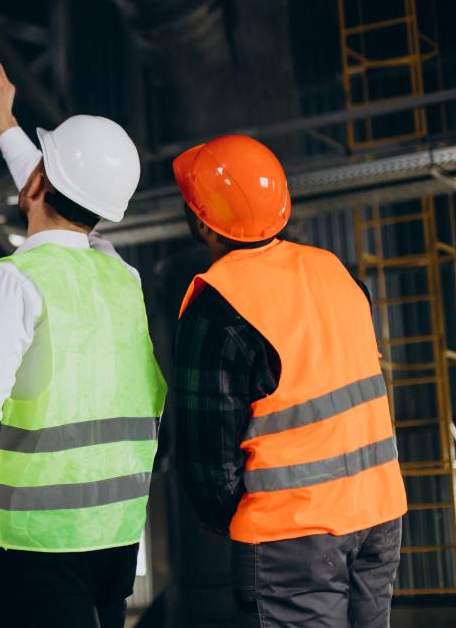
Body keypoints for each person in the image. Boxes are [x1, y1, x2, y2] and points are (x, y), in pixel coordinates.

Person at [0, 51, 167, 628]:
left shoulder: (13, 282)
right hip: (115, 536)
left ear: (37, 182)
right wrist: (3, 121)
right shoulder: (120, 277)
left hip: (35, 545)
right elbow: (65, 197)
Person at [171, 134, 407, 627]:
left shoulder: (218, 308)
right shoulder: (336, 272)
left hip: (291, 537)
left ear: (200, 219)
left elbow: (209, 458)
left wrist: (223, 518)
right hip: (379, 513)